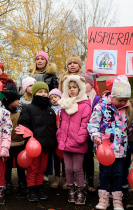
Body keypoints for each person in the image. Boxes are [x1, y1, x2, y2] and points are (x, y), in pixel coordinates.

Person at [88, 75, 133, 210]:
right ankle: (103, 199)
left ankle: (117, 200)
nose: (122, 102)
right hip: (105, 149)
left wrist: (127, 134)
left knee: (119, 173)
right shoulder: (102, 106)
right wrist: (96, 135)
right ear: (113, 96)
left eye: (125, 100)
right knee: (105, 173)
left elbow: (129, 127)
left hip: (120, 148)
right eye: (120, 100)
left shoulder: (128, 108)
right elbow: (93, 123)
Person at [18, 82, 57, 202]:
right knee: (33, 168)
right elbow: (23, 125)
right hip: (33, 147)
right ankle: (31, 189)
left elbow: (53, 128)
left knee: (42, 168)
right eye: (40, 92)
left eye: (45, 92)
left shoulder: (50, 110)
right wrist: (29, 139)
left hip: (46, 146)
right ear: (34, 93)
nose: (43, 94)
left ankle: (39, 188)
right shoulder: (28, 109)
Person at [57, 75, 91, 205]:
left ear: (80, 89)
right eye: (69, 87)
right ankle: (71, 188)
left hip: (77, 142)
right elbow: (62, 123)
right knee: (68, 168)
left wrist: (80, 138)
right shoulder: (65, 104)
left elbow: (84, 124)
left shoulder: (84, 105)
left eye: (74, 87)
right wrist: (60, 135)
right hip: (65, 142)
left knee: (78, 168)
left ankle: (80, 190)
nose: (72, 90)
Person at [3, 90, 27, 197]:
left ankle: (22, 183)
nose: (18, 101)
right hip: (8, 144)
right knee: (7, 166)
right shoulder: (4, 113)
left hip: (19, 143)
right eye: (16, 100)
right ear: (9, 101)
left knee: (20, 165)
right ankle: (7, 183)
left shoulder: (19, 113)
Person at [80, 73, 101, 193]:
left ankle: (90, 180)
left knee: (89, 158)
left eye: (86, 83)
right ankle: (81, 180)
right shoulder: (77, 98)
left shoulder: (97, 99)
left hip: (90, 134)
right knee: (80, 158)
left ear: (91, 85)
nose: (83, 85)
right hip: (79, 133)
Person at [48, 88, 66, 189]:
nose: (54, 99)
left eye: (56, 97)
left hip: (63, 137)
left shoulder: (64, 108)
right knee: (56, 159)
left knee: (64, 159)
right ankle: (56, 179)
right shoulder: (50, 110)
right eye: (51, 98)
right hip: (54, 137)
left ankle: (64, 179)